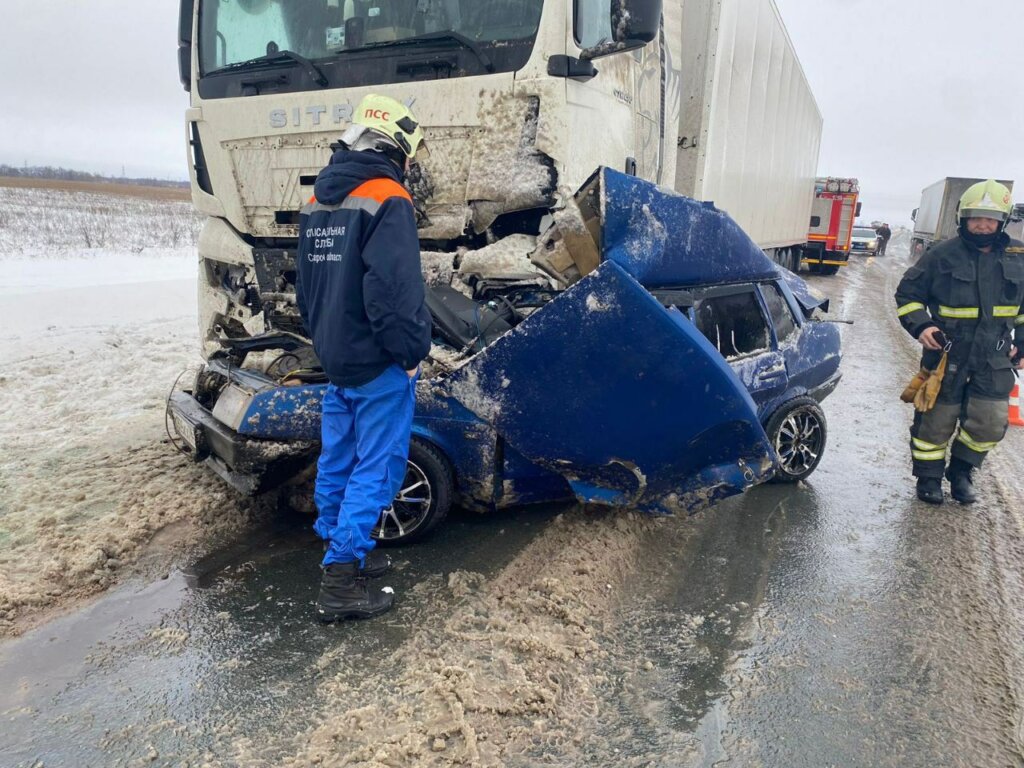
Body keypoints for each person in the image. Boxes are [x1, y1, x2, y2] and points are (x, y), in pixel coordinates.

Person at [295, 94, 431, 621]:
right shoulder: (388, 197)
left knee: (338, 460)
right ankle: (341, 582)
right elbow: (394, 293)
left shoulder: (319, 201)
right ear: (398, 146)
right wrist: (411, 352)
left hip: (336, 357)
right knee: (376, 468)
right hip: (378, 364)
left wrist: (327, 341)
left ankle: (339, 548)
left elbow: (307, 291)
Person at [895, 180, 1024, 505]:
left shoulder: (1018, 259)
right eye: (975, 218)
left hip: (993, 360)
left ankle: (962, 472)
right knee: (934, 425)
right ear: (962, 219)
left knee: (990, 423)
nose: (982, 224)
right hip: (947, 357)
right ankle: (928, 479)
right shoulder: (941, 255)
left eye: (990, 219)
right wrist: (921, 325)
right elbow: (908, 296)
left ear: (1002, 221)